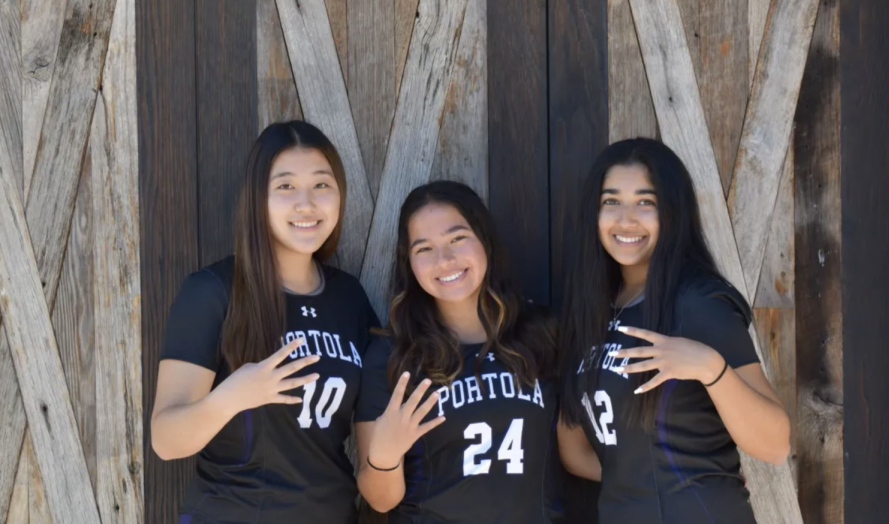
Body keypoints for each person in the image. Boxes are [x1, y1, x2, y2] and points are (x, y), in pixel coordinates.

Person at [150, 121, 378, 524]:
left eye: (322, 185)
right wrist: (233, 396)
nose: (306, 203)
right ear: (257, 199)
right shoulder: (213, 292)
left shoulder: (350, 298)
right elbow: (166, 440)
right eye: (285, 186)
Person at [556, 138, 791, 524]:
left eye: (645, 202)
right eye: (611, 201)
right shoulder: (588, 315)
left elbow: (775, 444)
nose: (626, 219)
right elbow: (575, 452)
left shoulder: (697, 302)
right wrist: (647, 483)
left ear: (672, 213)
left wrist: (709, 367)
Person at [354, 180, 560, 523]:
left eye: (456, 238)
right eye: (424, 249)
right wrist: (386, 455)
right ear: (409, 264)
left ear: (484, 239)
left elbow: (575, 450)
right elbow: (381, 500)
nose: (445, 260)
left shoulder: (540, 332)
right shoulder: (393, 354)